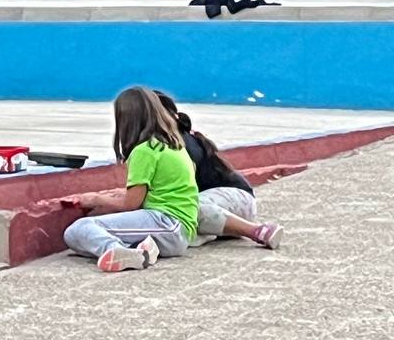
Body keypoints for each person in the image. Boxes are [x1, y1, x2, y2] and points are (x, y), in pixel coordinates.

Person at [63, 86, 199, 272]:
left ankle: (117, 250)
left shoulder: (146, 150)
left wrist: (95, 199)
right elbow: (162, 189)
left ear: (126, 119)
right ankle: (141, 250)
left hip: (168, 224)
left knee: (78, 230)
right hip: (178, 230)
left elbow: (131, 203)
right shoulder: (173, 145)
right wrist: (120, 193)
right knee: (88, 236)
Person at [155, 92, 283, 250]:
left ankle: (258, 231)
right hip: (218, 211)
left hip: (236, 200)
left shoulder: (178, 143)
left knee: (185, 208)